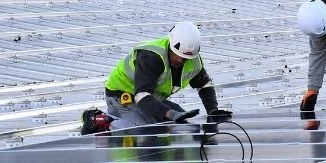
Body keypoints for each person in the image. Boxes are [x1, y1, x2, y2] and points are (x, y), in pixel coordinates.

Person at [80, 22, 231, 134]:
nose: (180, 61)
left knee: (182, 124)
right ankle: (101, 121)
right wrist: (170, 113)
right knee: (147, 129)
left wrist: (213, 110)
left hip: (151, 98)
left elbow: (204, 85)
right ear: (171, 44)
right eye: (177, 56)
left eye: (184, 58)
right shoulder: (151, 57)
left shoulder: (193, 60)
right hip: (122, 96)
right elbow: (142, 96)